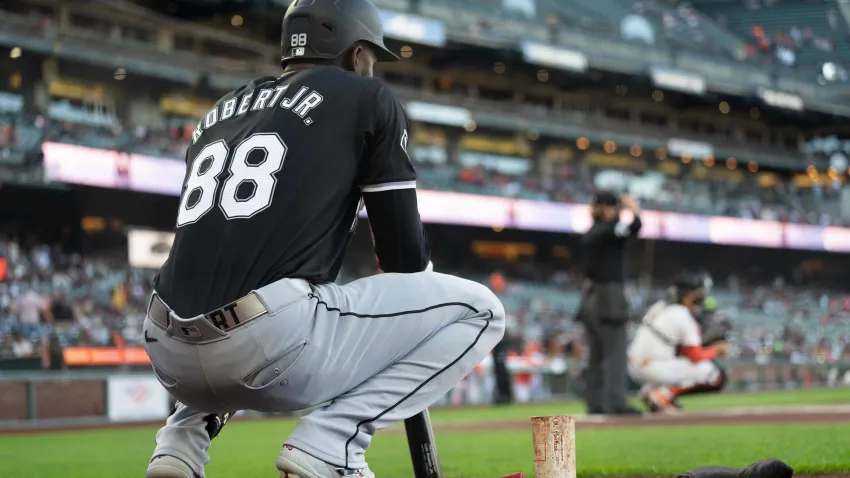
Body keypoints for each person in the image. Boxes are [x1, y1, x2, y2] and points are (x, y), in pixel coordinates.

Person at [143, 1, 505, 477]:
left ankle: (179, 444)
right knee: (482, 311)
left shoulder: (220, 111)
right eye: (372, 57)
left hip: (168, 352)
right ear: (356, 55)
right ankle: (333, 445)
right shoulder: (365, 96)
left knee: (234, 289)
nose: (372, 68)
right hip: (267, 347)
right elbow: (403, 258)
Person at [575, 191, 641, 415]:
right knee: (615, 351)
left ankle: (596, 403)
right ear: (606, 209)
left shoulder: (595, 230)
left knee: (597, 353)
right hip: (608, 297)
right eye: (615, 208)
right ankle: (615, 403)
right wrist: (634, 211)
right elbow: (632, 228)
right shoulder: (606, 230)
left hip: (590, 297)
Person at [627, 274, 730, 414]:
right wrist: (717, 349)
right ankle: (661, 395)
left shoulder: (659, 306)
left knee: (677, 360)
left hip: (635, 366)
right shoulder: (682, 314)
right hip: (652, 367)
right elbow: (695, 356)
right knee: (713, 372)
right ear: (691, 294)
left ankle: (650, 391)